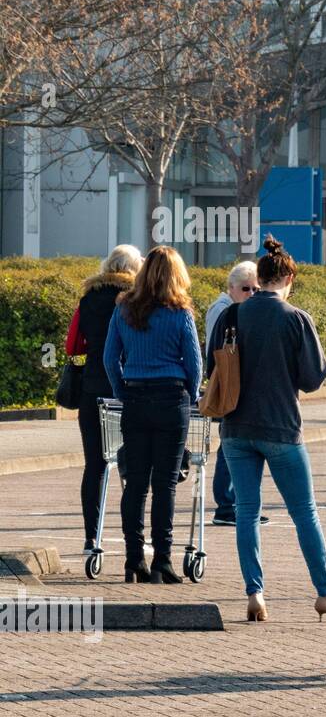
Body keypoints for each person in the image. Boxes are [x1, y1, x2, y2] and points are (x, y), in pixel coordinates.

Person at [208, 237, 326, 624]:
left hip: (236, 427)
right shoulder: (295, 318)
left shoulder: (231, 316)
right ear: (288, 277)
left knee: (246, 512)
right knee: (305, 513)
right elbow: (312, 379)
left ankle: (255, 592)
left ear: (259, 276)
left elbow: (213, 366)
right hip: (281, 428)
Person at [103, 246, 202, 584]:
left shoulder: (124, 309)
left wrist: (122, 391)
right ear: (178, 276)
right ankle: (163, 560)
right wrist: (190, 395)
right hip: (171, 399)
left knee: (136, 484)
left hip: (135, 398)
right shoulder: (180, 313)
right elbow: (194, 363)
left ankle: (133, 560)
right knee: (165, 485)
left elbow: (108, 358)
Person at [65, 245, 143, 562]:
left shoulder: (88, 297)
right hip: (128, 388)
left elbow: (73, 344)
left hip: (91, 388)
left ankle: (90, 538)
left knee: (95, 466)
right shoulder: (135, 299)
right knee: (133, 466)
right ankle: (133, 540)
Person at [204, 261, 265, 525]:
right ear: (231, 288)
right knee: (230, 446)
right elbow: (219, 350)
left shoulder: (233, 308)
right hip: (229, 383)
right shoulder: (224, 310)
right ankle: (227, 505)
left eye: (256, 289)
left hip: (237, 383)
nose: (251, 294)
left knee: (234, 445)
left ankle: (235, 505)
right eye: (245, 288)